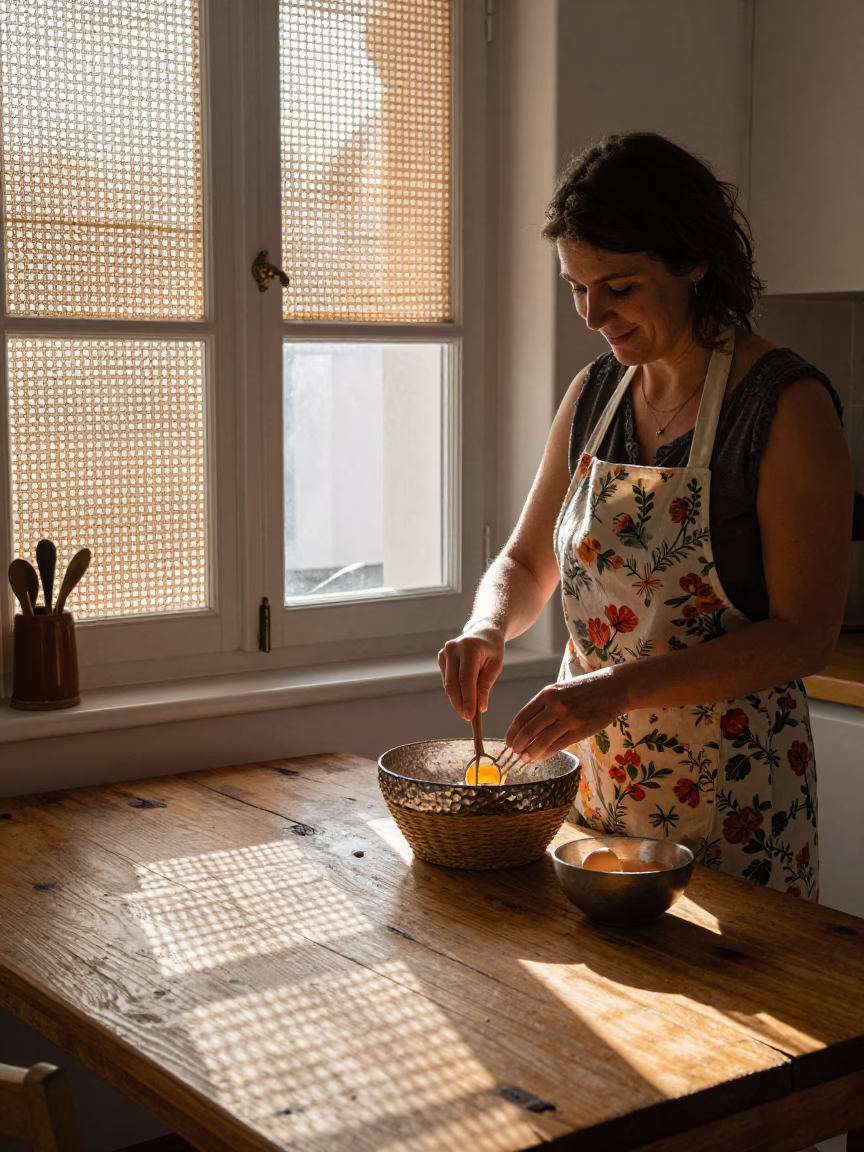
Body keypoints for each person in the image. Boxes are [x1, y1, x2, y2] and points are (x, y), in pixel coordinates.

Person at [438, 133, 852, 899]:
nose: (593, 314)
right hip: (598, 794)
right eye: (576, 287)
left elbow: (805, 635)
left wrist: (614, 691)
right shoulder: (595, 394)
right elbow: (529, 563)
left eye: (619, 287)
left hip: (736, 806)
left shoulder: (784, 408)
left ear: (693, 261)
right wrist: (487, 625)